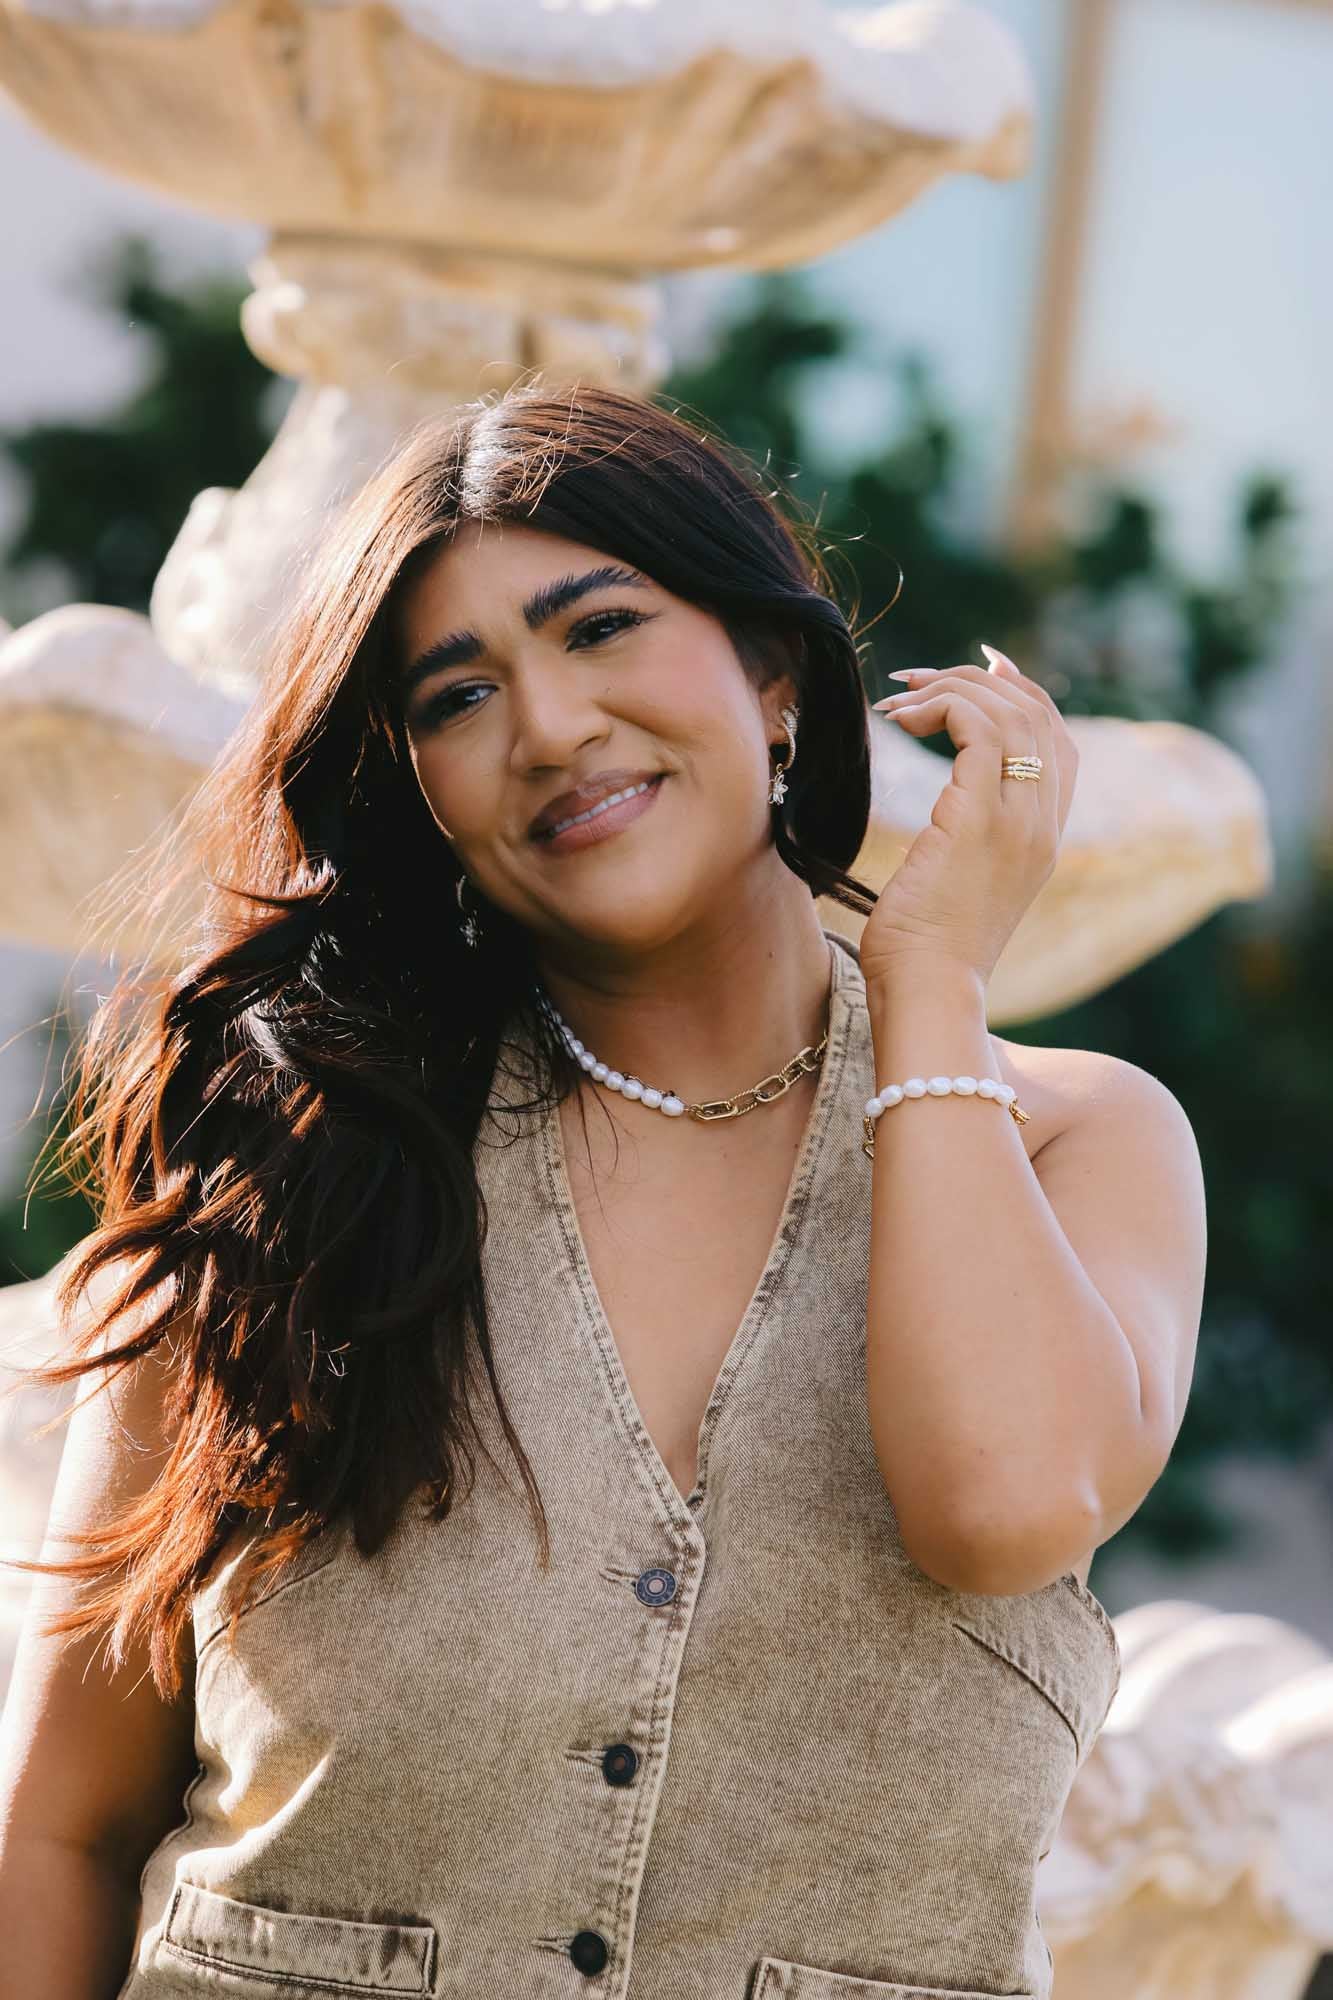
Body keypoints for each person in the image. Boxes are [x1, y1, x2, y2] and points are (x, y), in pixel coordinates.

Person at [0, 379, 1206, 2000]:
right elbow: (65, 1831)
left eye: (598, 629)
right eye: (453, 695)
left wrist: (930, 989)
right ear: (414, 785)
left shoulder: (1078, 1144)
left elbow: (997, 1513)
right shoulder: (292, 1167)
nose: (549, 729)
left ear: (772, 672)